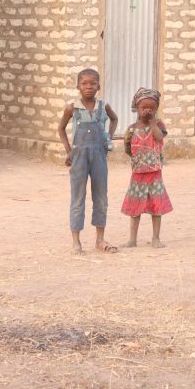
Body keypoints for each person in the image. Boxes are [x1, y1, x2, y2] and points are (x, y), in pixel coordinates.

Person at [58, 68, 119, 254]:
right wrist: (70, 152)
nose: (88, 87)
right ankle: (76, 241)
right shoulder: (72, 108)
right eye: (84, 83)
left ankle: (100, 239)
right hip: (79, 157)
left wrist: (108, 138)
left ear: (98, 86)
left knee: (101, 197)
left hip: (99, 156)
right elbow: (60, 129)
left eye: (93, 83)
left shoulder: (103, 106)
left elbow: (114, 119)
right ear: (78, 86)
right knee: (78, 198)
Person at [120, 88, 173, 248]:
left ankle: (156, 238)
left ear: (156, 109)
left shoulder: (159, 125)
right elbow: (127, 148)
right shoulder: (131, 129)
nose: (147, 111)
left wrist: (152, 122)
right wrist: (139, 160)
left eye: (152, 108)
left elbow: (159, 137)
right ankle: (132, 239)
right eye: (144, 108)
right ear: (136, 108)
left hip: (155, 173)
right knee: (135, 206)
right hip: (138, 173)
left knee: (156, 206)